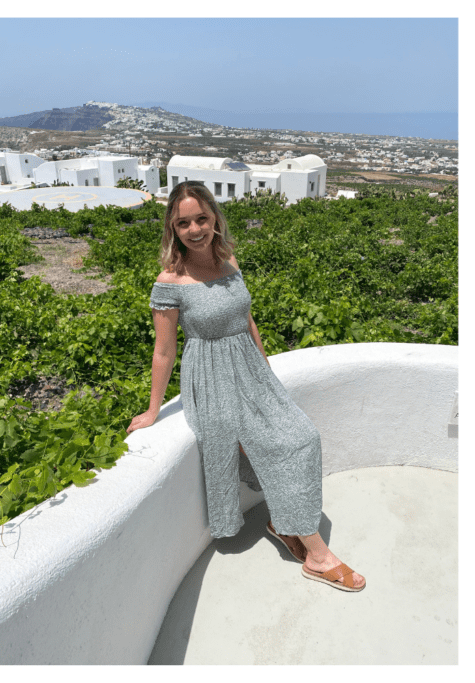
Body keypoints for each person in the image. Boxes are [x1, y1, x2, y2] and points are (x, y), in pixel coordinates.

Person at [126, 181, 365, 592]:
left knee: (303, 437)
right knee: (273, 446)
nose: (195, 229)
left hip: (249, 370)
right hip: (211, 377)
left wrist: (264, 371)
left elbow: (247, 320)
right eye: (184, 223)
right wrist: (153, 410)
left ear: (215, 218)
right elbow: (163, 352)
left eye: (202, 218)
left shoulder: (230, 262)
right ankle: (318, 556)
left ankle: (283, 521)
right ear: (173, 229)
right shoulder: (169, 281)